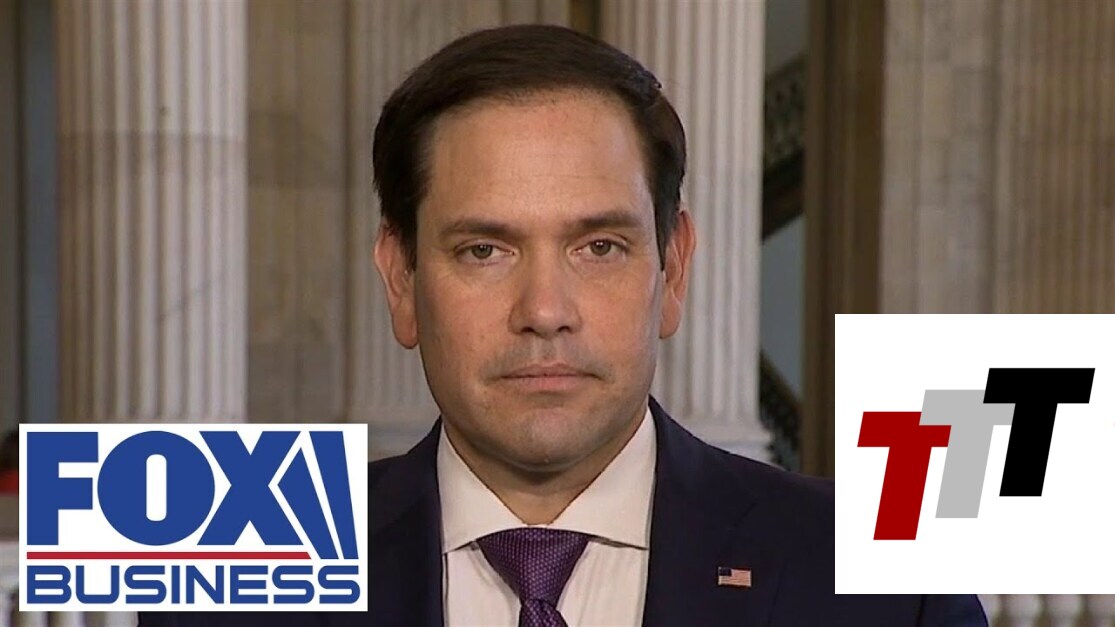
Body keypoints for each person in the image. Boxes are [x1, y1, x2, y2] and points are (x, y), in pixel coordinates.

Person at [143, 24, 985, 626]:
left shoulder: (889, 586)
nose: (544, 310)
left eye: (599, 246)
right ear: (401, 278)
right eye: (483, 250)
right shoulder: (227, 585)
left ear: (673, 269)